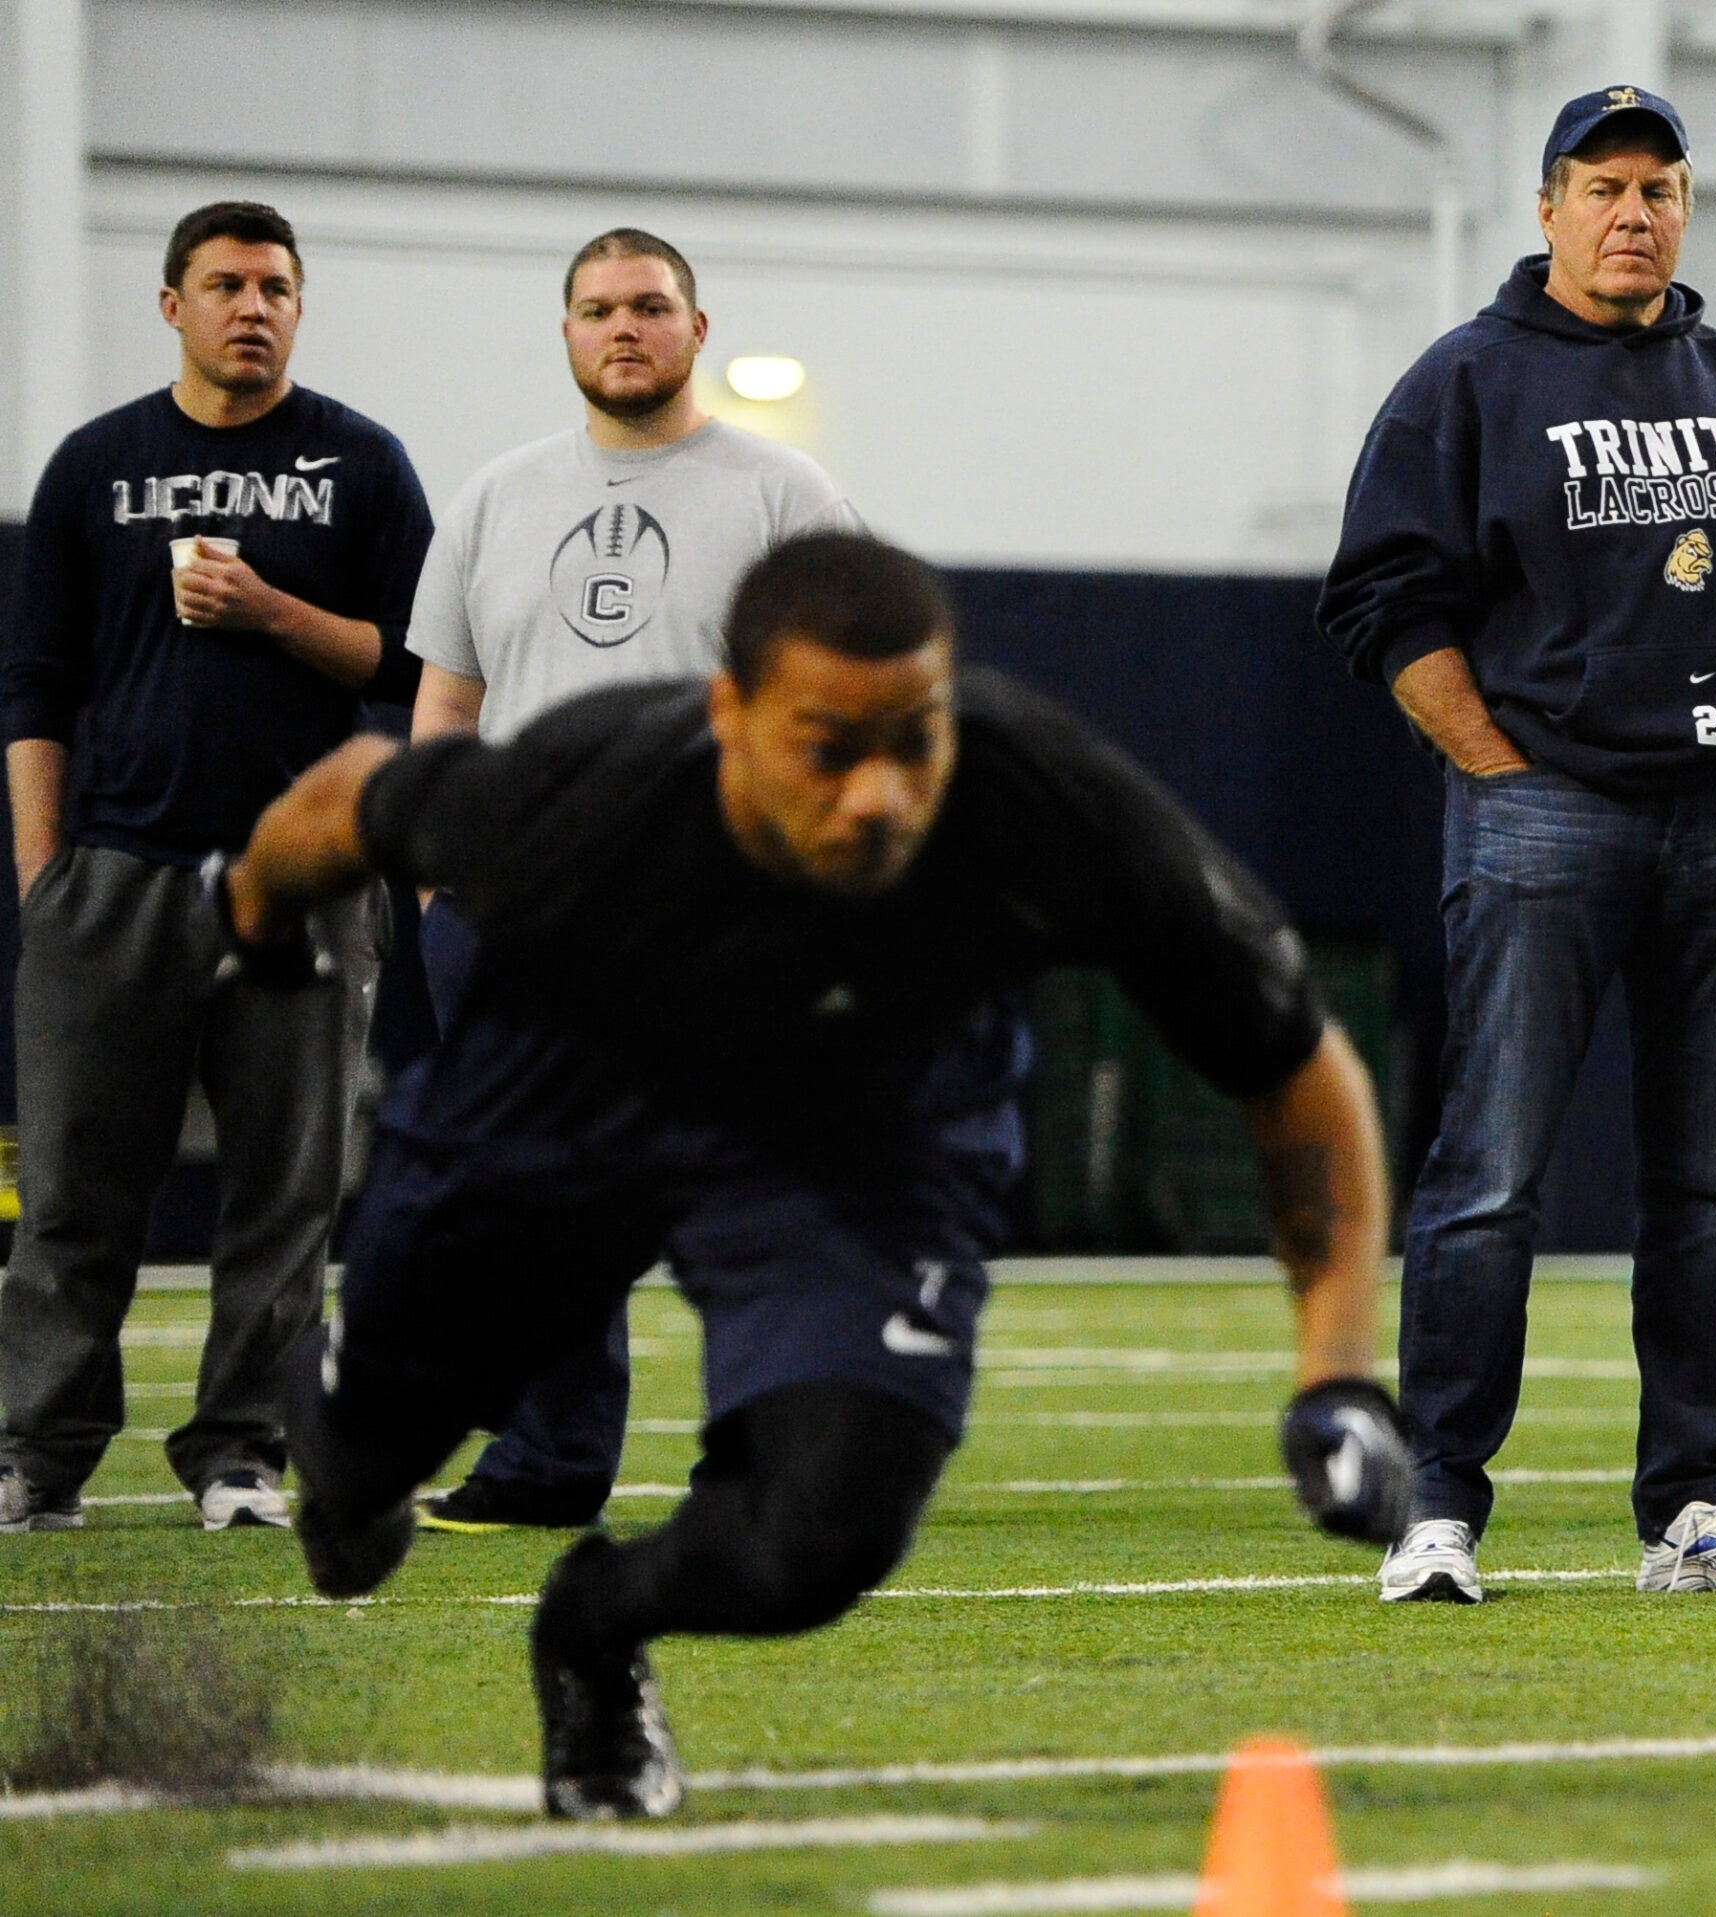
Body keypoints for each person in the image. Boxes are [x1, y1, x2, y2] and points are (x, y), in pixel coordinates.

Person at [224, 529, 1409, 1817]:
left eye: (916, 739)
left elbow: (1299, 1071)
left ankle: (597, 1629)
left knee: (825, 1531)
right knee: (350, 1495)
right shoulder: (586, 795)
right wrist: (254, 925)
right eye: (829, 750)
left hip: (859, 1142)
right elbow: (347, 797)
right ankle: (348, 1415)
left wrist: (1337, 1375)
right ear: (728, 713)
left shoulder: (1037, 799)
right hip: (565, 1108)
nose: (880, 795)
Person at [1318, 85, 1716, 1605]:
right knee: (1491, 1174)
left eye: (1662, 188)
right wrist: (1499, 766)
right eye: (1605, 187)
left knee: (1708, 1186)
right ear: (1550, 207)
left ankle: (1697, 1503)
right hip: (1546, 809)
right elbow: (1383, 606)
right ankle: (1439, 1505)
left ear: (1687, 209)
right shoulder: (1468, 383)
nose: (1636, 213)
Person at [403, 227, 858, 1535]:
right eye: (598, 308)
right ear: (566, 334)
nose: (625, 328)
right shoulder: (494, 495)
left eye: (650, 306)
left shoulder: (784, 495)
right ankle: (548, 1465)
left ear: (695, 330)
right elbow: (448, 698)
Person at [0, 202, 429, 1536]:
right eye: (228, 284)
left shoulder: (361, 465)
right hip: (114, 876)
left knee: (285, 1190)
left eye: (278, 287)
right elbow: (36, 684)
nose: (255, 306)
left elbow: (419, 670)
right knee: (74, 1185)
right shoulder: (96, 465)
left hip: (301, 879)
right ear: (172, 302)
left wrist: (273, 613)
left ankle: (242, 1454)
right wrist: (43, 878)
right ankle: (39, 1455)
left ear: (302, 308)